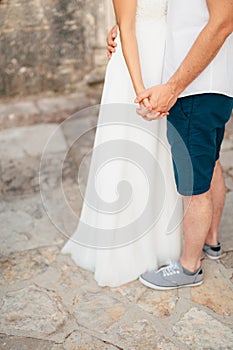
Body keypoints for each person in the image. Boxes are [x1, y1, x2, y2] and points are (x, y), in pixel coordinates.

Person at [107, 0, 233, 290]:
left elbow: (223, 21)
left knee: (193, 185)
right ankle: (210, 242)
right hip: (213, 84)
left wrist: (174, 88)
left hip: (195, 88)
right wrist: (123, 26)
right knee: (209, 163)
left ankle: (189, 267)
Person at [61, 0, 184, 287]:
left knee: (163, 152)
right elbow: (127, 27)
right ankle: (127, 246)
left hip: (167, 58)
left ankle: (164, 242)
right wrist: (140, 90)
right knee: (131, 150)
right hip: (135, 65)